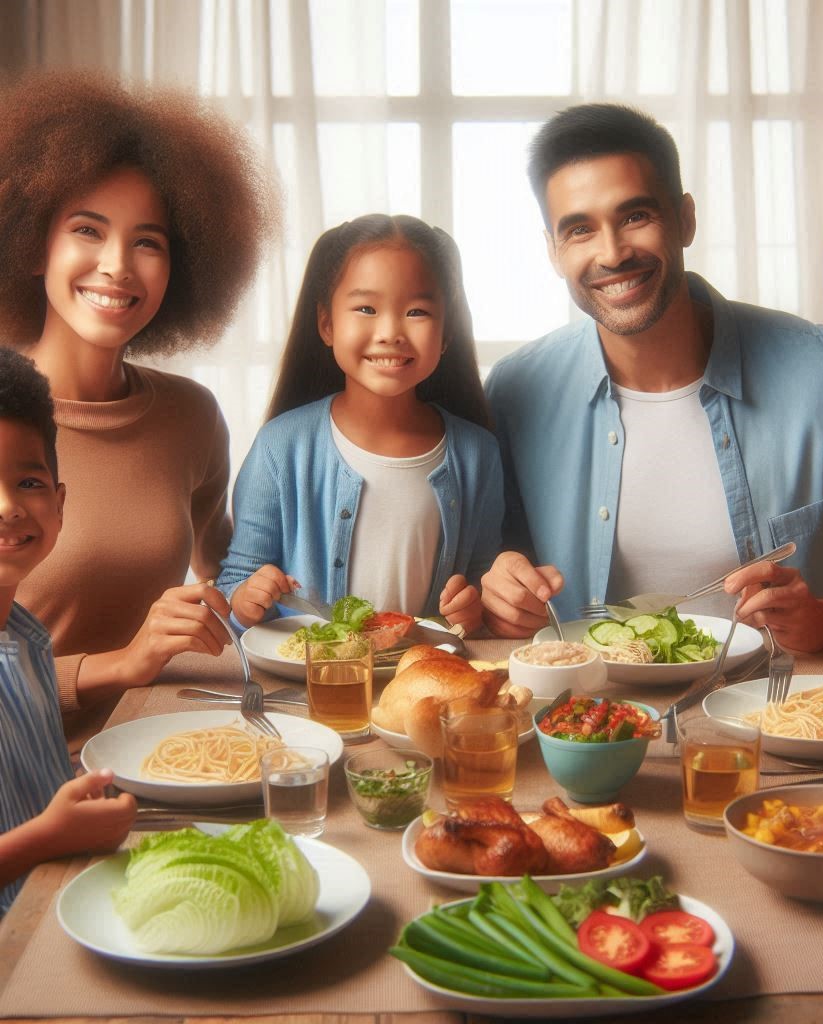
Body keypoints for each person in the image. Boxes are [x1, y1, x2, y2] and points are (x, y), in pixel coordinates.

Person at [482, 103, 823, 646]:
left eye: (634, 217)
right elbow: (493, 573)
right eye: (579, 230)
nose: (613, 252)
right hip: (588, 720)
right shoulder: (514, 393)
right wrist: (501, 593)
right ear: (553, 251)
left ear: (685, 218)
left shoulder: (821, 369)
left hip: (773, 712)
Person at [0, 70, 277, 750]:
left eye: (147, 241)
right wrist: (122, 664)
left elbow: (224, 582)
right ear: (35, 245)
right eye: (88, 231)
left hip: (161, 753)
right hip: (27, 777)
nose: (118, 265)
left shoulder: (190, 417)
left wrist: (246, 596)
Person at [217, 215, 503, 636]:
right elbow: (233, 587)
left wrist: (473, 609)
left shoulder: (477, 453)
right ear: (327, 324)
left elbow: (483, 580)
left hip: (420, 683)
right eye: (366, 309)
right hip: (313, 687)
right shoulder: (282, 446)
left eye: (417, 311)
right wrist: (245, 603)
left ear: (446, 335)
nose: (390, 332)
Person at [0, 349, 136, 915]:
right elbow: (40, 834)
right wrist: (47, 839)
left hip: (55, 910)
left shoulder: (26, 640)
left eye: (28, 482)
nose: (7, 507)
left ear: (58, 504)